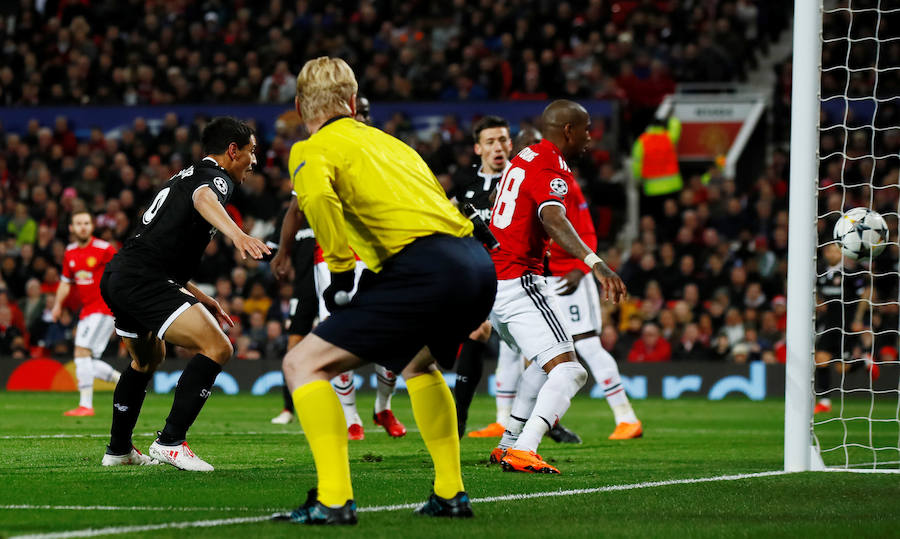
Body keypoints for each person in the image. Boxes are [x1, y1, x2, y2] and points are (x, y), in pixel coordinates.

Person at [274, 57, 495, 525]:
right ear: (352, 103)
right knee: (418, 363)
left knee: (301, 364)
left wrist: (336, 272)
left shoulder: (311, 148)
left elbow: (316, 200)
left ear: (299, 107)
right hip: (473, 261)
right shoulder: (392, 143)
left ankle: (333, 501)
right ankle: (450, 493)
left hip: (422, 267)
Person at [99, 117, 270, 470]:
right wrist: (238, 235)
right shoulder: (215, 178)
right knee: (219, 346)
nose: (254, 161)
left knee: (147, 360)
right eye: (251, 152)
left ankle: (118, 451)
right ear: (232, 150)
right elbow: (204, 197)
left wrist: (198, 295)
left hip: (120, 275)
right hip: (142, 279)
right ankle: (171, 441)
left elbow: (156, 250)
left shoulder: (183, 174)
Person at [487, 100, 627, 474]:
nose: (589, 136)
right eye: (585, 128)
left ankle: (508, 444)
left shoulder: (525, 156)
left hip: (493, 279)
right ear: (568, 130)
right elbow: (552, 216)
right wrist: (595, 263)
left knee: (542, 363)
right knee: (571, 370)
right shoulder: (550, 164)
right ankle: (526, 447)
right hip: (519, 279)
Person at [270, 96, 407, 439]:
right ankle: (350, 416)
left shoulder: (383, 151)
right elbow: (297, 208)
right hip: (330, 258)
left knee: (390, 336)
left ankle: (382, 407)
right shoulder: (318, 150)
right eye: (354, 111)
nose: (358, 117)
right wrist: (283, 251)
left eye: (364, 112)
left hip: (377, 254)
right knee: (339, 332)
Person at [547, 174, 643, 440]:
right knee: (539, 352)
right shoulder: (519, 180)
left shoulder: (564, 183)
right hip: (539, 279)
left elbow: (587, 231)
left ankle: (626, 418)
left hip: (570, 278)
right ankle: (529, 420)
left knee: (587, 345)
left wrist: (580, 267)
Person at [446, 115, 514, 438]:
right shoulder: (465, 185)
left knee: (528, 353)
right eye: (490, 141)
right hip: (480, 276)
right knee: (478, 332)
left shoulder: (520, 179)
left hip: (518, 276)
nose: (497, 147)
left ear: (511, 144)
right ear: (478, 148)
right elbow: (446, 214)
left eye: (503, 140)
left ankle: (544, 421)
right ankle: (458, 418)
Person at [51, 211, 122, 417]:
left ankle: (86, 405)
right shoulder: (70, 252)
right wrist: (57, 305)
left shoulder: (104, 249)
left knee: (81, 353)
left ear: (91, 226)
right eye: (78, 223)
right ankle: (124, 381)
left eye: (86, 223)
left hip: (103, 309)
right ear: (72, 228)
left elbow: (121, 273)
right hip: (87, 311)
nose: (83, 226)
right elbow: (65, 283)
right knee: (86, 360)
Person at [631, 115, 682, 221]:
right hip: (672, 186)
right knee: (672, 216)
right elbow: (676, 124)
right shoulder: (668, 137)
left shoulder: (641, 141)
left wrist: (638, 180)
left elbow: (636, 164)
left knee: (657, 218)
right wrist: (669, 116)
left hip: (651, 189)